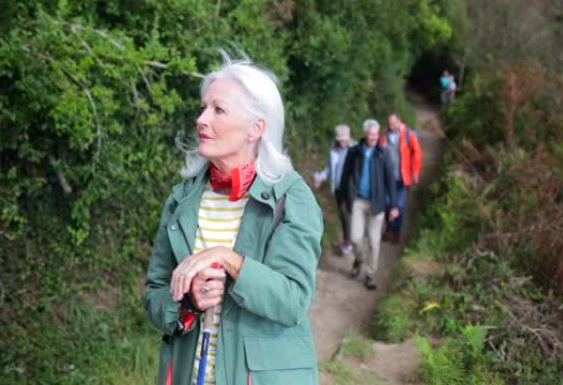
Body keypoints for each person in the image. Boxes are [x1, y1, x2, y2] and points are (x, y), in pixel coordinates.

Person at [143, 53, 323, 385]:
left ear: (256, 127)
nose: (201, 119)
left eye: (218, 110)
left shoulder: (290, 198)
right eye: (202, 108)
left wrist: (227, 259)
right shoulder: (181, 200)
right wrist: (188, 304)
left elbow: (292, 301)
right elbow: (154, 293)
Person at [340, 119, 399, 290]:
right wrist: (344, 196)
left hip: (377, 203)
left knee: (374, 241)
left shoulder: (383, 154)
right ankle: (359, 259)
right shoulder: (354, 152)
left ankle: (370, 274)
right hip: (358, 200)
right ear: (365, 133)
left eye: (376, 134)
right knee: (355, 238)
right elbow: (345, 175)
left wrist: (394, 205)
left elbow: (390, 181)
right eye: (370, 133)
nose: (373, 137)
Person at [379, 113, 422, 243]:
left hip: (403, 179)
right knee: (387, 205)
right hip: (387, 178)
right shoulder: (384, 135)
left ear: (399, 121)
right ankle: (389, 228)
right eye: (389, 124)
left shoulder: (409, 135)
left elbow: (417, 153)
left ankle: (396, 232)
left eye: (393, 123)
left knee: (399, 207)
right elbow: (379, 152)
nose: (391, 126)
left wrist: (415, 172)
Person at [313, 124, 356, 254]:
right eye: (340, 139)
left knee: (345, 212)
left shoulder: (355, 149)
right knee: (343, 215)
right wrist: (321, 176)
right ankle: (347, 239)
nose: (342, 142)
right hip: (337, 188)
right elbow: (330, 169)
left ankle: (349, 242)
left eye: (344, 139)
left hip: (350, 188)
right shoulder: (334, 148)